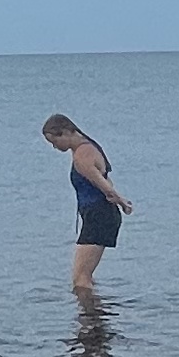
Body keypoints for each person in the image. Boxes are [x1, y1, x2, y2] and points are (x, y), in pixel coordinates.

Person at [41, 114, 135, 294]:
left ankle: (90, 312)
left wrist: (122, 201)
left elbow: (103, 185)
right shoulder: (88, 147)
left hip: (98, 216)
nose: (55, 147)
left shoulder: (82, 155)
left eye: (54, 142)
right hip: (99, 215)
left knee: (80, 279)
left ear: (66, 132)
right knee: (85, 276)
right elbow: (106, 179)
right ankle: (97, 310)